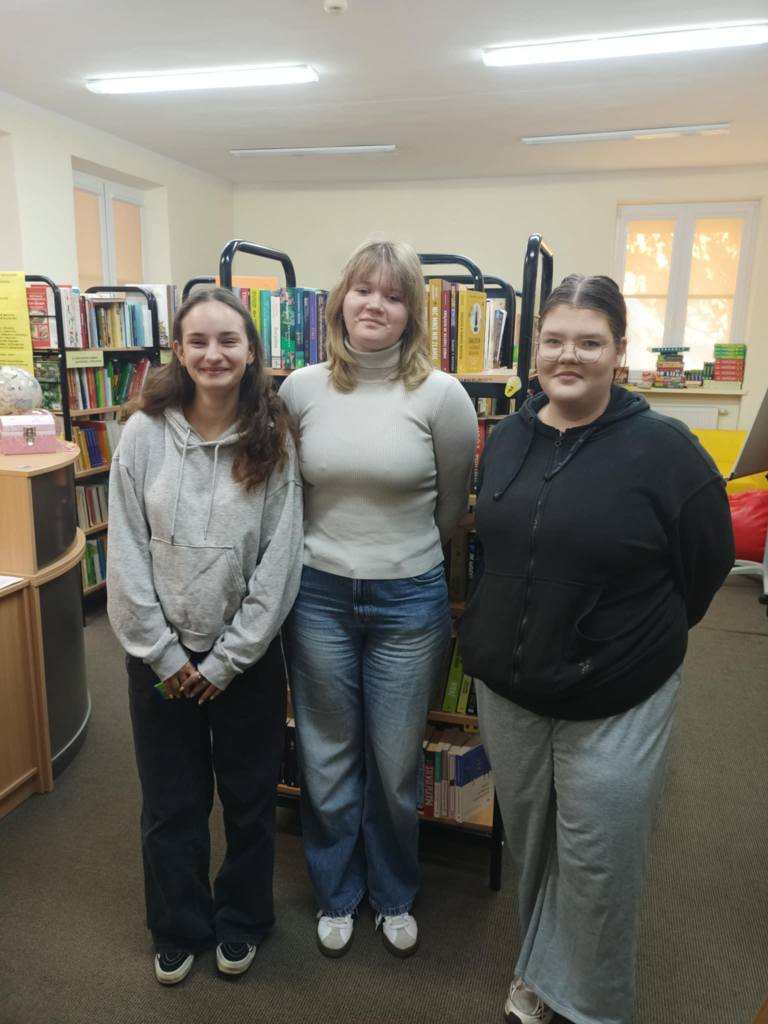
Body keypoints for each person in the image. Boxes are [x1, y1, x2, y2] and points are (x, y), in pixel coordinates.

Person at [458, 274, 735, 1024]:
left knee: (601, 856)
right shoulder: (508, 438)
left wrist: (640, 637)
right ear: (535, 349)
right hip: (512, 688)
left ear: (619, 352)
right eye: (554, 340)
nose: (568, 356)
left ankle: (591, 1006)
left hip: (619, 692)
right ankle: (538, 975)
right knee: (535, 845)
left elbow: (708, 561)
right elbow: (495, 549)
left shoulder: (666, 451)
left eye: (589, 342)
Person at [280, 238, 477, 958]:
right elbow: (287, 497)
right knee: (326, 758)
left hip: (409, 600)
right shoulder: (299, 390)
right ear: (341, 300)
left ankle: (393, 892)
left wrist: (396, 557)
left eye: (394, 296)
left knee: (394, 766)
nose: (375, 305)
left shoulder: (443, 396)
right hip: (318, 596)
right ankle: (337, 892)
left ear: (411, 313)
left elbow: (451, 507)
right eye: (364, 290)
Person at [107, 287, 303, 985]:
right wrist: (165, 654)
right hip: (160, 662)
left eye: (228, 340)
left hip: (243, 662)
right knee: (171, 801)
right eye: (198, 341)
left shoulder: (273, 436)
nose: (213, 354)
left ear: (250, 352)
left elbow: (281, 560)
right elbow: (126, 554)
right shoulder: (143, 434)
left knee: (249, 801)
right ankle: (179, 925)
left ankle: (243, 919)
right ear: (178, 351)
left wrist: (227, 660)